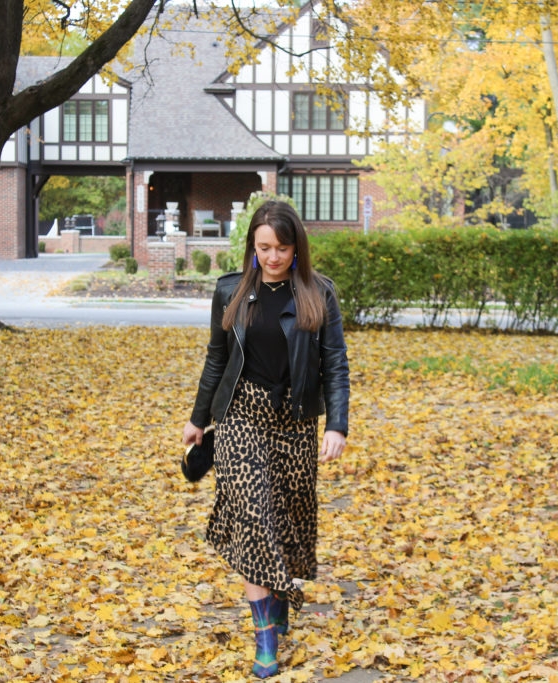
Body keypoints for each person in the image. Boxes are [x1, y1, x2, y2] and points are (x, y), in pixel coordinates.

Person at [182, 200, 350, 678]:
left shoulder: (320, 294)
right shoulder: (231, 291)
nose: (272, 257)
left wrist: (336, 424)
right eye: (263, 248)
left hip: (294, 422)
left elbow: (335, 364)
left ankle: (277, 598)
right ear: (252, 247)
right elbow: (217, 359)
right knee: (252, 515)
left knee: (287, 523)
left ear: (296, 247)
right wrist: (198, 419)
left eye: (280, 247)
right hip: (240, 417)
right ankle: (265, 638)